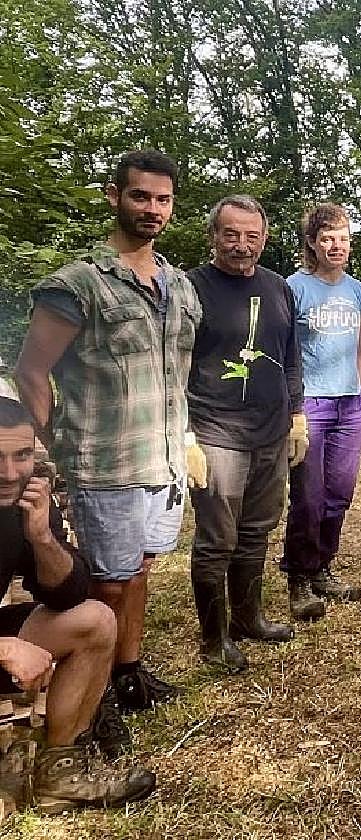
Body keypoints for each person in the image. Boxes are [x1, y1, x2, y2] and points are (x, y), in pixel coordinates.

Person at [15, 149, 197, 723]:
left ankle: (127, 670)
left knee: (139, 570)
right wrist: (48, 448)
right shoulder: (78, 286)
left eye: (163, 199)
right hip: (103, 466)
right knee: (105, 584)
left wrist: (188, 441)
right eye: (140, 196)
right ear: (114, 197)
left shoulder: (178, 285)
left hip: (163, 462)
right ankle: (92, 698)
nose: (152, 209)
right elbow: (32, 370)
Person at [0, 397, 156, 813]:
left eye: (22, 456)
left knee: (95, 621)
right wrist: (5, 648)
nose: (10, 473)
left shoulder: (26, 498)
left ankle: (60, 774)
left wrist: (41, 538)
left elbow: (67, 595)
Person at [186, 195, 306, 671]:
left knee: (257, 529)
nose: (241, 245)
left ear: (264, 238)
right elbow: (174, 363)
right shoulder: (191, 289)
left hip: (271, 430)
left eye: (251, 236)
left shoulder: (278, 287)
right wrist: (185, 435)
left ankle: (247, 618)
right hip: (215, 431)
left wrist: (297, 414)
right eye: (231, 234)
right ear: (213, 235)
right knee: (218, 538)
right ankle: (213, 640)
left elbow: (290, 355)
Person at [280, 203, 361, 620]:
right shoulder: (293, 288)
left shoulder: (359, 293)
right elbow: (284, 351)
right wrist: (292, 407)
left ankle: (322, 567)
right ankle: (298, 576)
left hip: (350, 404)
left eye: (343, 238)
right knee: (308, 496)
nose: (336, 245)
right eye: (327, 238)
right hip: (310, 406)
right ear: (312, 243)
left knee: (339, 492)